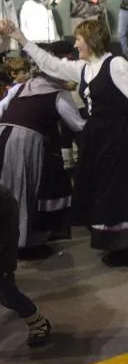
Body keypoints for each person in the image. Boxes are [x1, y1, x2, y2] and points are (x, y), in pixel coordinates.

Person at [0, 18, 128, 266]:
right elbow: (50, 64)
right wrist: (19, 37)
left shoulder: (116, 64)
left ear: (91, 40)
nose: (75, 45)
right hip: (98, 133)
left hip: (119, 133)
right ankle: (112, 240)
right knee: (98, 187)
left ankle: (126, 245)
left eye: (78, 39)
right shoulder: (85, 68)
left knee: (118, 188)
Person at [0, 55, 85, 260]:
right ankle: (24, 243)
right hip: (26, 140)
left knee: (8, 189)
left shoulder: (23, 87)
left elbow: (2, 107)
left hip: (4, 135)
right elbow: (77, 124)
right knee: (26, 189)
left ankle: (9, 239)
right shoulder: (58, 94)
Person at [0, 184, 52, 347]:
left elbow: (7, 234)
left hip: (2, 257)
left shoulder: (3, 197)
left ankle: (38, 322)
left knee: (7, 295)